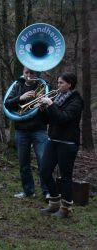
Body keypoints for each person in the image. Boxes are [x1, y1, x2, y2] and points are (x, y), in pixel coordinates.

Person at [39, 72, 83, 218]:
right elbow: (48, 120)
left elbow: (63, 118)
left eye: (61, 83)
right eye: (57, 83)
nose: (58, 86)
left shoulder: (76, 101)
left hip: (67, 142)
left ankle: (66, 208)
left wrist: (50, 105)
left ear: (69, 84)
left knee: (65, 176)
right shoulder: (57, 98)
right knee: (44, 171)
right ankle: (54, 202)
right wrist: (43, 110)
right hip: (53, 139)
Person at [4, 66, 49, 199]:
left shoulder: (43, 86)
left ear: (37, 73)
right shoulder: (18, 85)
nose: (29, 75)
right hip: (21, 130)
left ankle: (47, 191)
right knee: (24, 163)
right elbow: (7, 104)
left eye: (32, 72)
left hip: (39, 129)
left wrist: (43, 105)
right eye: (26, 72)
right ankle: (28, 191)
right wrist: (20, 98)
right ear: (23, 73)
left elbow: (49, 113)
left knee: (43, 162)